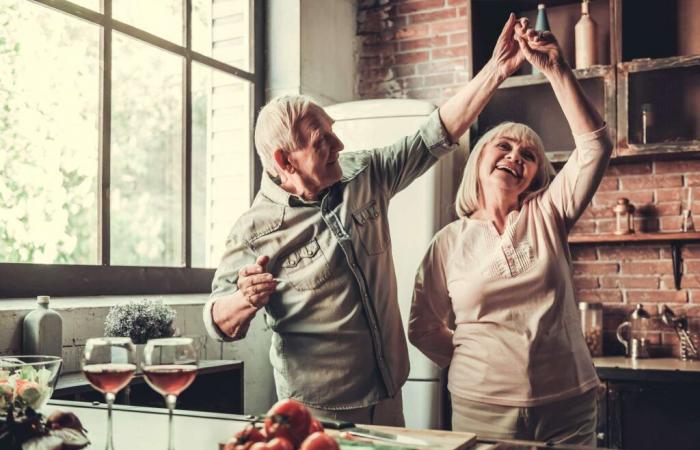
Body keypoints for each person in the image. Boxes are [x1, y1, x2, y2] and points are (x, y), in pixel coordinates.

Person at [203, 14, 528, 425]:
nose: (340, 144)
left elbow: (434, 133)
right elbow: (217, 322)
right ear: (285, 161)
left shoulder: (364, 173)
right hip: (317, 410)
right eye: (323, 142)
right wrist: (243, 300)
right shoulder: (253, 231)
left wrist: (496, 70)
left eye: (333, 132)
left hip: (389, 391)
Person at [408, 21, 611, 445]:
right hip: (479, 406)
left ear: (536, 175)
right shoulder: (447, 242)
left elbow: (594, 147)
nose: (515, 156)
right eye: (504, 146)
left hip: (567, 403)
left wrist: (555, 69)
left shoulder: (549, 212)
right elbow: (423, 328)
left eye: (529, 155)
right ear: (480, 159)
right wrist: (476, 363)